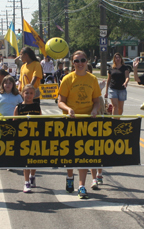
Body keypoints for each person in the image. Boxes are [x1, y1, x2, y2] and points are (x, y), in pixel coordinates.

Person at [58, 50, 101, 199]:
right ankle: (70, 177)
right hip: (71, 121)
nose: (80, 63)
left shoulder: (93, 79)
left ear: (87, 61)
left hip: (87, 121)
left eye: (83, 60)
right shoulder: (67, 79)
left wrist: (95, 110)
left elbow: (97, 100)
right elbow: (60, 101)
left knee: (84, 154)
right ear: (72, 63)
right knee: (71, 154)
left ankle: (81, 186)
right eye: (77, 61)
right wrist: (69, 109)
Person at [14, 84, 41, 193]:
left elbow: (41, 121)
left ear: (34, 94)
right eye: (26, 93)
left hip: (34, 136)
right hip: (23, 138)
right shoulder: (19, 107)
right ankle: (26, 182)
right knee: (25, 160)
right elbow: (14, 122)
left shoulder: (37, 107)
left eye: (31, 93)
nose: (28, 95)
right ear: (22, 93)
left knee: (33, 159)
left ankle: (32, 176)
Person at [105, 53, 130, 119]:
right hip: (113, 89)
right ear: (114, 59)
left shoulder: (125, 68)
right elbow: (108, 80)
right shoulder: (111, 68)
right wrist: (106, 91)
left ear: (121, 59)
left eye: (119, 57)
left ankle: (118, 119)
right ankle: (115, 121)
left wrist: (125, 82)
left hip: (122, 89)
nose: (118, 59)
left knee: (120, 108)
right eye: (116, 57)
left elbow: (127, 77)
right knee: (115, 106)